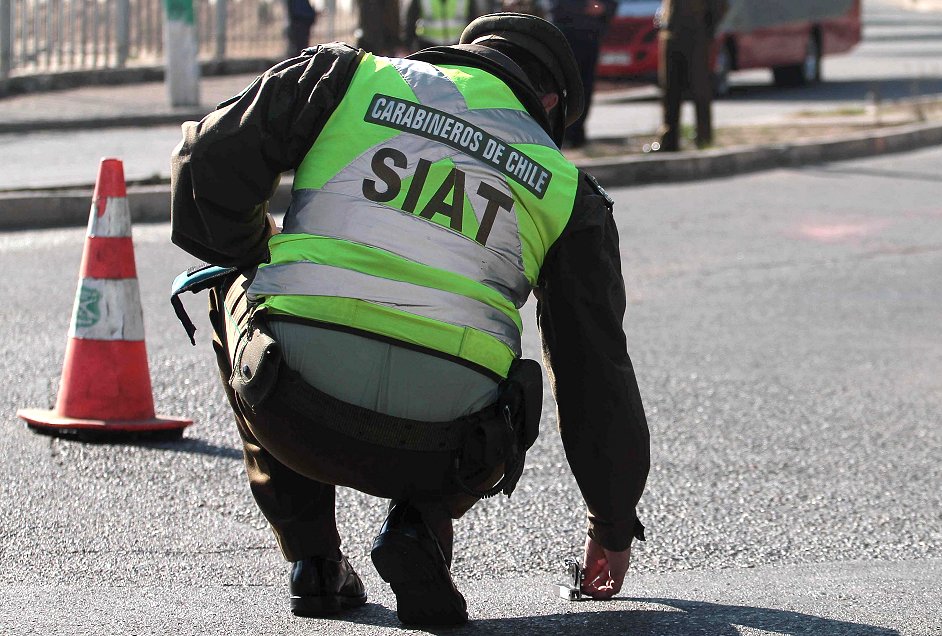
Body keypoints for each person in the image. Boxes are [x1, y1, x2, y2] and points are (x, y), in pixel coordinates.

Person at [170, 13, 649, 627]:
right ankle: (418, 528)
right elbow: (595, 372)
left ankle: (314, 564)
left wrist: (250, 249)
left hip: (290, 405)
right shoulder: (567, 189)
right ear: (551, 103)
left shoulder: (349, 77)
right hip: (445, 449)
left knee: (231, 278)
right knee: (507, 372)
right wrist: (612, 525)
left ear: (458, 56)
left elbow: (203, 164)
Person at [655, 0, 727, 151]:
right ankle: (669, 140)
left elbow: (720, 6)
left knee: (699, 88)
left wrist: (707, 29)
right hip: (670, 33)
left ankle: (703, 138)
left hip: (696, 35)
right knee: (669, 91)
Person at [547, 0, 617, 148]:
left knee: (586, 87)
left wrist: (603, 8)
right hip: (566, 36)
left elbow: (610, 5)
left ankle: (577, 133)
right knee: (565, 87)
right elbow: (556, 6)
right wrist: (584, 8)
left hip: (591, 36)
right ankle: (562, 133)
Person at [401, 0, 483, 51]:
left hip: (458, 46)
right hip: (427, 46)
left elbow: (474, 21)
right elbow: (409, 22)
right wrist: (407, 46)